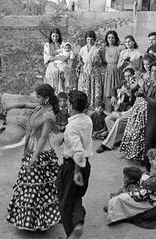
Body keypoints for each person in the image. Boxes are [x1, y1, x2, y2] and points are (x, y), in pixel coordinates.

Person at [7, 83, 61, 231]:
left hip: (39, 153)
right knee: (35, 186)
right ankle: (33, 219)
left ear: (46, 98)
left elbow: (43, 138)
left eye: (38, 96)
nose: (35, 98)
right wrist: (11, 107)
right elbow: (25, 104)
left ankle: (37, 221)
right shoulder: (40, 107)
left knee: (36, 187)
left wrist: (34, 157)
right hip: (32, 149)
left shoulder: (48, 116)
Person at [57, 90, 93, 239]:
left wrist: (77, 171)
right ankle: (78, 223)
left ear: (71, 105)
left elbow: (78, 151)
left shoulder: (72, 126)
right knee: (76, 197)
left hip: (73, 166)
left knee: (64, 200)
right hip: (86, 165)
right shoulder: (87, 120)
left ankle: (70, 233)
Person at [120, 58, 156, 167]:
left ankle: (149, 167)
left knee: (151, 142)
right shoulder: (154, 82)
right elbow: (147, 93)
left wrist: (144, 96)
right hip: (150, 115)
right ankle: (147, 164)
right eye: (152, 71)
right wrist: (140, 90)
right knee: (148, 141)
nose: (153, 73)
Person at [106, 150, 156, 225]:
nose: (152, 161)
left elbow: (139, 196)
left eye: (155, 160)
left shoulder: (154, 181)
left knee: (120, 198)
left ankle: (114, 215)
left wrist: (129, 193)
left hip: (152, 203)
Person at [96, 67, 137, 153]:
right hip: (120, 108)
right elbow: (113, 89)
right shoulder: (124, 83)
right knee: (107, 119)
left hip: (130, 110)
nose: (127, 78)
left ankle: (106, 144)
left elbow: (135, 102)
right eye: (126, 76)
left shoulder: (136, 85)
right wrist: (114, 96)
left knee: (118, 120)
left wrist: (130, 95)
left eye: (129, 76)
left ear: (133, 75)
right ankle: (117, 140)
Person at [77, 30, 104, 109]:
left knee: (95, 90)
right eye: (88, 39)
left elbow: (101, 62)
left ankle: (94, 107)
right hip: (85, 71)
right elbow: (80, 60)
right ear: (86, 39)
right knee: (85, 89)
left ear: (94, 39)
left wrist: (96, 63)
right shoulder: (82, 49)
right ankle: (84, 106)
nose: (89, 41)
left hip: (94, 71)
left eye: (91, 39)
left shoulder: (97, 49)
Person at [103, 30, 122, 111]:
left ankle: (116, 108)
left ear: (116, 38)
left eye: (113, 38)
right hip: (108, 71)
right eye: (109, 38)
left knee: (115, 88)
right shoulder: (105, 49)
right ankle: (108, 109)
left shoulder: (119, 48)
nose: (111, 39)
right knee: (107, 89)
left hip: (116, 70)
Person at [44, 27, 66, 93]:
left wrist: (58, 58)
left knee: (61, 85)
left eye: (56, 36)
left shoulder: (63, 45)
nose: (55, 38)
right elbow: (48, 58)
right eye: (53, 36)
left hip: (62, 66)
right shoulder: (47, 45)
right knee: (51, 84)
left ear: (59, 36)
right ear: (50, 36)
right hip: (51, 67)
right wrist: (59, 57)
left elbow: (65, 56)